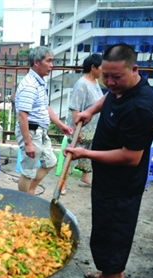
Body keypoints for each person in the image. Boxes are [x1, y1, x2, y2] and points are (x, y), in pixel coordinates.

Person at [65, 43, 153, 278]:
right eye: (105, 75)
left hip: (122, 184)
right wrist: (89, 111)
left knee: (112, 232)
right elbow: (108, 96)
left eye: (116, 77)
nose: (109, 82)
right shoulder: (122, 88)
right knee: (110, 229)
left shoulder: (141, 106)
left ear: (135, 70)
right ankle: (114, 277)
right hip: (108, 179)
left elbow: (131, 157)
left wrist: (86, 153)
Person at [15, 46, 73, 195]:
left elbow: (44, 107)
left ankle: (30, 192)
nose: (52, 65)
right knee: (28, 171)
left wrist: (61, 126)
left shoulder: (40, 82)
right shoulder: (29, 85)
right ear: (36, 62)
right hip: (31, 131)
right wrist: (28, 143)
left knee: (51, 162)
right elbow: (22, 115)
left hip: (40, 131)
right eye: (49, 61)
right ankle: (23, 202)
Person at [62, 53, 104, 192]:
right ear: (93, 67)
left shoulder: (95, 82)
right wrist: (76, 130)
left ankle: (86, 176)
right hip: (80, 127)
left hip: (92, 127)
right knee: (71, 155)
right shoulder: (82, 84)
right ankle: (62, 183)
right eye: (101, 67)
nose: (102, 70)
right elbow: (75, 107)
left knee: (89, 151)